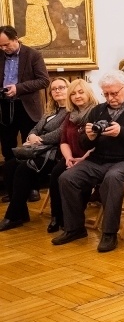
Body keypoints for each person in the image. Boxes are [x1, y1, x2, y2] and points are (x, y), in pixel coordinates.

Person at [52, 70, 124, 252]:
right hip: (98, 159)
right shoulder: (98, 110)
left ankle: (109, 233)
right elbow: (84, 144)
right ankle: (75, 228)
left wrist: (121, 132)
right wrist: (89, 137)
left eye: (114, 93)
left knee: (113, 178)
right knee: (67, 178)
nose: (110, 98)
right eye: (106, 94)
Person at [0, 78, 69, 231]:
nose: (57, 91)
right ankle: (21, 213)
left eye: (61, 87)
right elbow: (35, 128)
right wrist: (31, 136)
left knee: (23, 169)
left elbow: (60, 133)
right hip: (39, 150)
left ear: (69, 90)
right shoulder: (51, 111)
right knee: (9, 166)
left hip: (54, 154)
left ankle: (12, 216)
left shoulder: (71, 112)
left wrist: (39, 139)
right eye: (54, 89)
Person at [0, 25, 50, 198]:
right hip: (4, 107)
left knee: (31, 148)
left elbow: (44, 81)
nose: (3, 48)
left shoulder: (33, 55)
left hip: (27, 107)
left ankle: (33, 188)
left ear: (16, 39)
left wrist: (18, 88)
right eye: (0, 46)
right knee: (8, 148)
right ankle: (12, 189)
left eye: (6, 44)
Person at [47, 79, 98, 233]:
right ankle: (56, 216)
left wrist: (82, 159)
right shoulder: (70, 115)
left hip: (90, 157)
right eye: (73, 93)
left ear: (89, 93)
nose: (77, 96)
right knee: (56, 174)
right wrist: (68, 158)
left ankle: (73, 218)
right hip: (71, 156)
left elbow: (99, 143)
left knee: (75, 178)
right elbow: (63, 141)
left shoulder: (97, 112)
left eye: (81, 92)